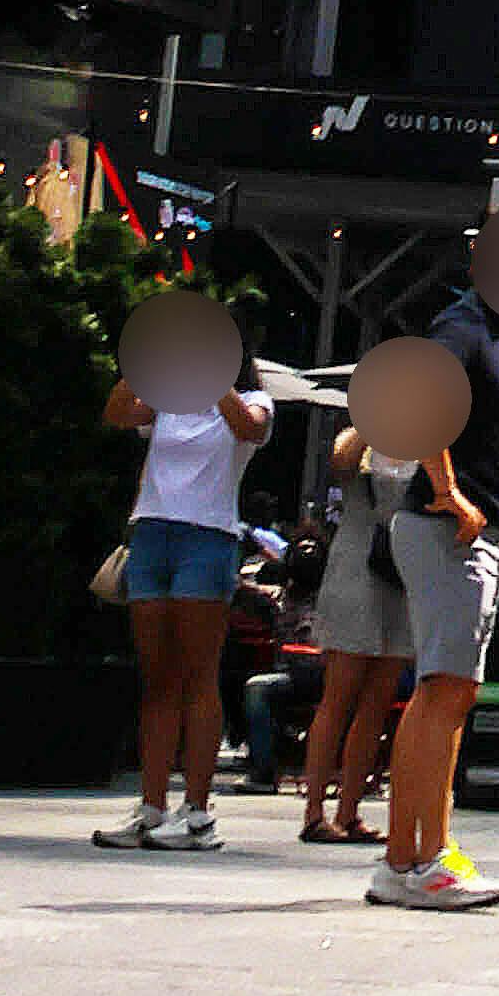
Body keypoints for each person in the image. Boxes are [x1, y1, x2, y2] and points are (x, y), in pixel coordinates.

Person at [381, 244, 499, 910]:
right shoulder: (466, 324)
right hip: (450, 529)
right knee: (441, 690)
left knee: (451, 694)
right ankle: (406, 861)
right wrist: (449, 490)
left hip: (480, 532)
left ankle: (428, 853)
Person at [95, 332, 275, 848]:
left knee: (198, 674)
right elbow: (117, 413)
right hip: (151, 531)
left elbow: (250, 429)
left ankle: (197, 812)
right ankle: (151, 809)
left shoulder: (252, 400)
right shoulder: (167, 401)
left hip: (208, 535)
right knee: (157, 677)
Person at [297, 425, 414, 844]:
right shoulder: (359, 437)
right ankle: (314, 811)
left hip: (404, 572)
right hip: (356, 566)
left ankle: (349, 811)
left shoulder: (433, 436)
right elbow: (341, 462)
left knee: (379, 699)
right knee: (340, 693)